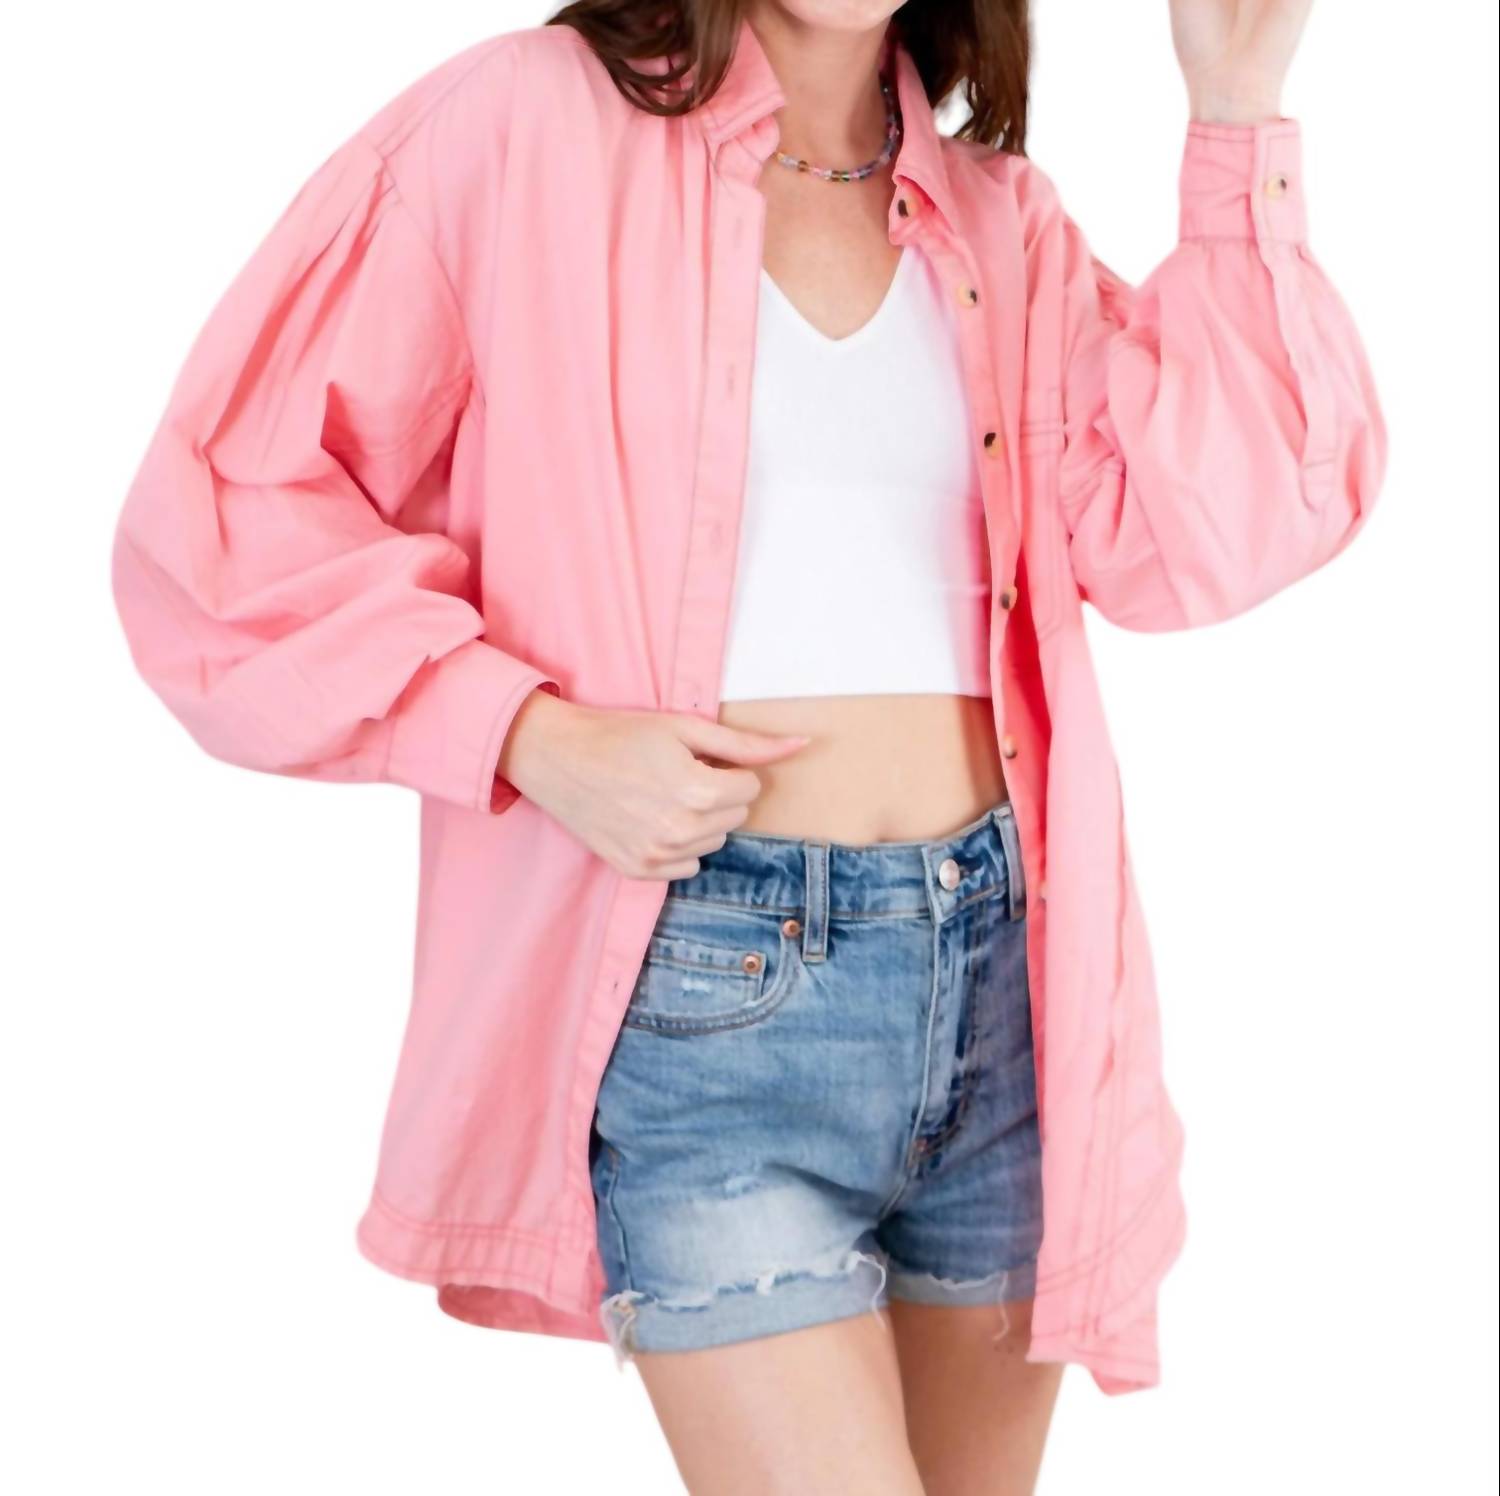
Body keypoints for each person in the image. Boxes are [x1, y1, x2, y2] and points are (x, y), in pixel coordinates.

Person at [109, 0, 1385, 1491]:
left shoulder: (1002, 219)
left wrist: (1236, 110)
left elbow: (1218, 525)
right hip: (710, 995)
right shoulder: (523, 126)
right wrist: (526, 734)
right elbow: (224, 519)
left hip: (1006, 996)